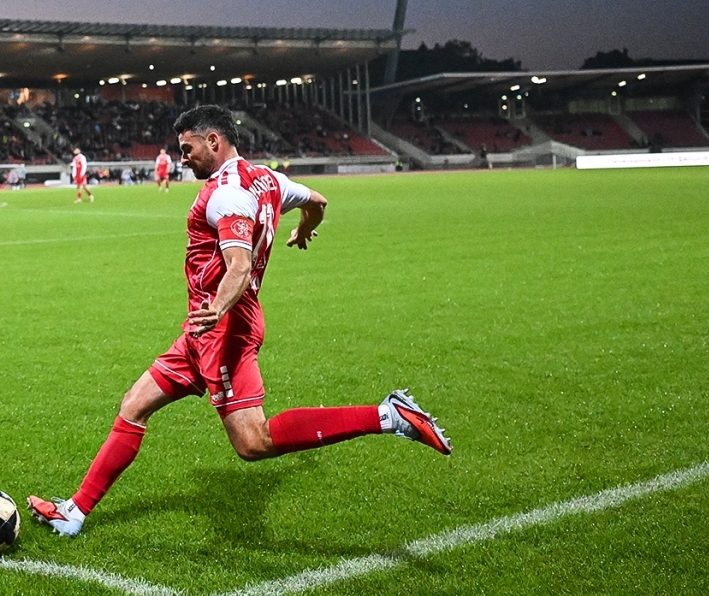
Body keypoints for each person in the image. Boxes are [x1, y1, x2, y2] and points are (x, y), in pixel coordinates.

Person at [27, 105, 449, 538]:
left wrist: (218, 307)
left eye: (187, 148)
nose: (183, 157)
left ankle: (389, 415)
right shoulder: (268, 179)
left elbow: (239, 265)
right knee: (134, 405)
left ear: (213, 141)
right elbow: (318, 201)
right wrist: (305, 228)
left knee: (252, 442)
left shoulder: (226, 193)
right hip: (203, 329)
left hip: (225, 327)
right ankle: (75, 511)